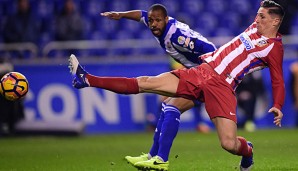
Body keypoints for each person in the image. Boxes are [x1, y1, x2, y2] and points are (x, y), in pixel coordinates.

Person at [69, 1, 285, 170]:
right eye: (257, 14)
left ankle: (247, 153)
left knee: (229, 144)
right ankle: (87, 79)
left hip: (223, 86)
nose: (256, 18)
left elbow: (277, 79)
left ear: (275, 22)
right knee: (148, 84)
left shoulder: (274, 49)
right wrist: (122, 15)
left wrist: (278, 104)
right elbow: (143, 16)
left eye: (262, 16)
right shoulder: (254, 27)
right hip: (203, 72)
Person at [100, 3, 216, 167]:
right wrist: (121, 14)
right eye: (151, 20)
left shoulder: (177, 37)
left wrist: (206, 72)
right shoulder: (156, 22)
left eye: (157, 20)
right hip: (198, 74)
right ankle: (152, 156)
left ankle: (161, 160)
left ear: (166, 20)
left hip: (208, 76)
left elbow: (209, 48)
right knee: (167, 106)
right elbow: (141, 14)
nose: (152, 24)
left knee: (171, 107)